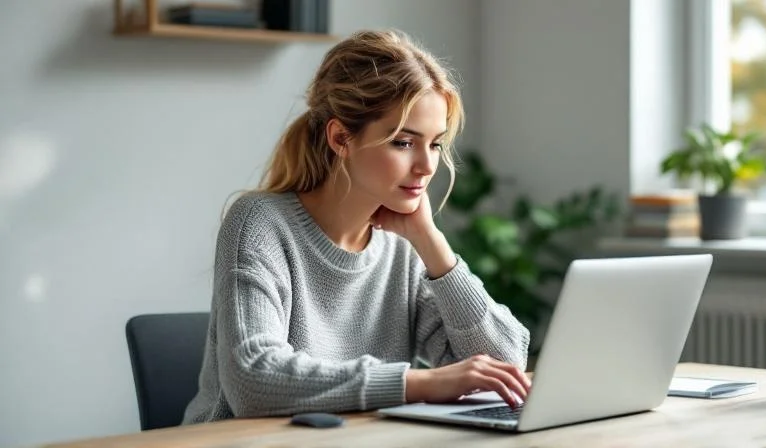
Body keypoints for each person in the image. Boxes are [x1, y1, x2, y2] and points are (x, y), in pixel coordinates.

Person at [182, 29, 531, 424]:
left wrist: (431, 242)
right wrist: (417, 383)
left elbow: (506, 367)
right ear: (340, 138)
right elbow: (253, 381)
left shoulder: (404, 247)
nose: (427, 166)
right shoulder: (260, 224)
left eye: (434, 144)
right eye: (403, 142)